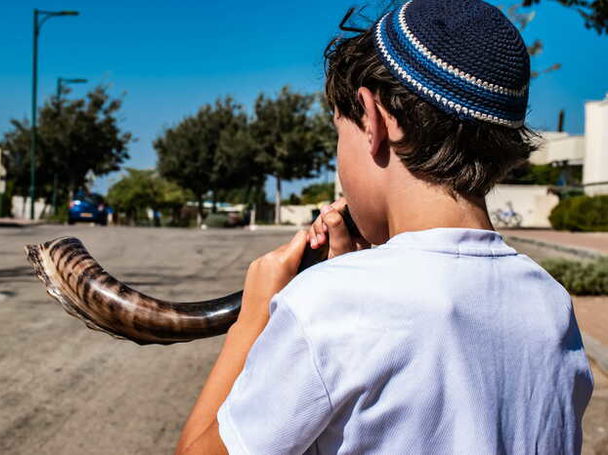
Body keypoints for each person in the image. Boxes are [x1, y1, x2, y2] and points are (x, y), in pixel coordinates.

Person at [175, 0, 594, 453]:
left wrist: (254, 317)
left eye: (340, 131)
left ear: (372, 119)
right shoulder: (550, 303)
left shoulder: (327, 303)